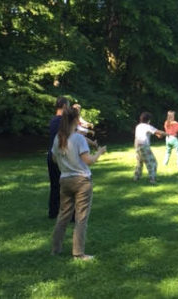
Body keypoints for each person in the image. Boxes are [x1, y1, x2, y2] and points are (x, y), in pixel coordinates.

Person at [51, 107, 106, 260]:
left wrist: (67, 162)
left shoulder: (58, 138)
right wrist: (99, 152)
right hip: (82, 181)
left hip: (65, 180)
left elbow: (55, 159)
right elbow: (89, 161)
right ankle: (78, 253)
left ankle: (56, 249)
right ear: (76, 120)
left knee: (63, 216)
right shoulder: (78, 138)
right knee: (81, 218)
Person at [47, 96, 70, 219]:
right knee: (67, 185)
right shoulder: (62, 121)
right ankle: (69, 214)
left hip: (51, 155)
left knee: (55, 185)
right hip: (60, 157)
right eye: (69, 106)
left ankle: (53, 212)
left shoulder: (53, 120)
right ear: (65, 106)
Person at [133, 112, 165, 184]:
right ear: (149, 120)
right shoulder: (148, 126)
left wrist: (158, 135)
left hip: (137, 146)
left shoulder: (138, 126)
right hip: (144, 146)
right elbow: (159, 132)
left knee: (140, 163)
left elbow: (155, 133)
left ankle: (136, 178)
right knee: (153, 163)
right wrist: (167, 134)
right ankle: (152, 180)